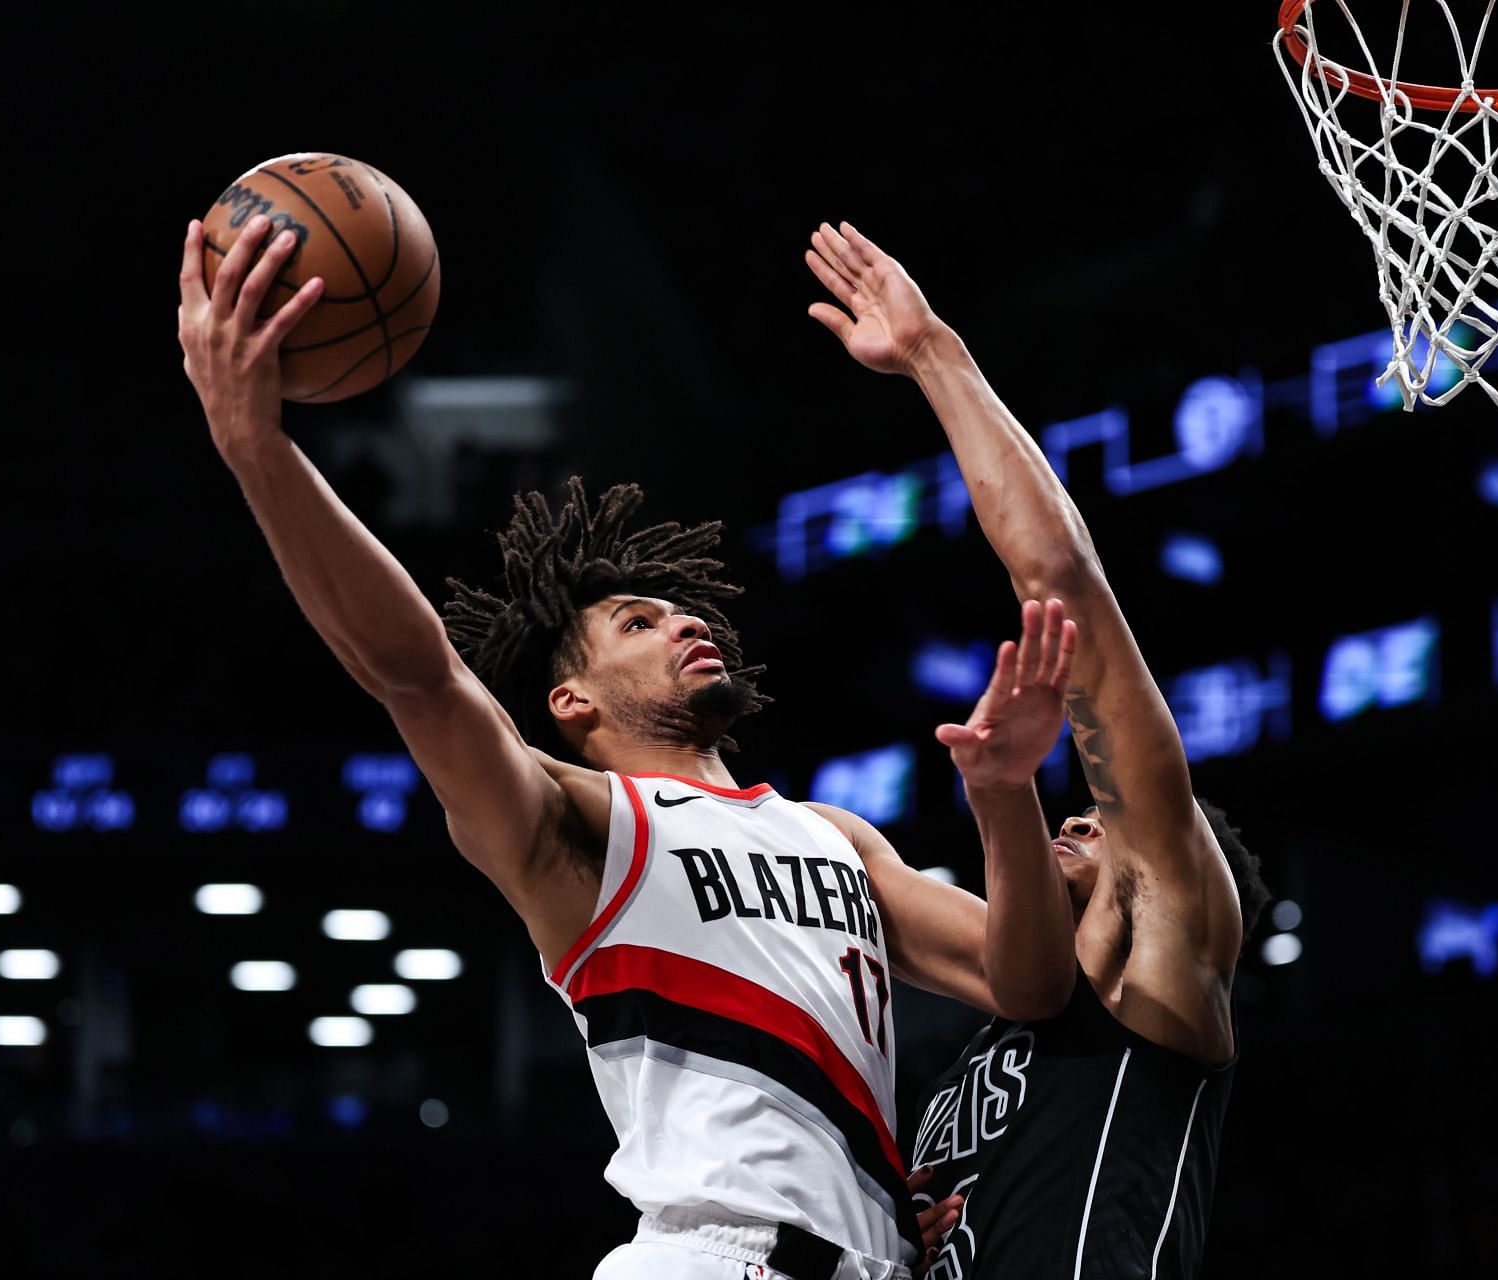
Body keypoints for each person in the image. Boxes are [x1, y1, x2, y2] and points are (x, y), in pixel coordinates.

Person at [175, 212, 1081, 1280]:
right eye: (637, 624)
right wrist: (257, 447)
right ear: (571, 702)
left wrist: (1006, 790)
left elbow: (1026, 981)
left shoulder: (836, 835)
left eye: (680, 611)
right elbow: (417, 672)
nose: (686, 622)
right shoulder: (579, 824)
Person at [805, 222, 1272, 1277]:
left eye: (1099, 821)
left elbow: (1064, 579)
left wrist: (934, 355)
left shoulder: (1161, 957)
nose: (1076, 816)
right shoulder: (1011, 990)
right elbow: (845, 861)